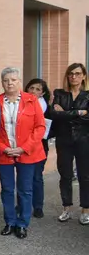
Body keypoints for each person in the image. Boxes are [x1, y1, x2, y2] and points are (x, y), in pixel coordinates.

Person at [0, 67, 46, 239]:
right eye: (6, 80)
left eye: (13, 80)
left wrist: (24, 147)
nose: (9, 83)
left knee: (25, 190)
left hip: (28, 153)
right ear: (2, 82)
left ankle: (23, 223)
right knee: (7, 189)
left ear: (19, 81)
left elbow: (40, 127)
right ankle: (10, 221)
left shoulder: (31, 100)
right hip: (5, 153)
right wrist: (3, 148)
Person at [49, 63, 89, 224]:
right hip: (64, 139)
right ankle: (67, 208)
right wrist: (79, 113)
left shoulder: (87, 95)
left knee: (85, 176)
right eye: (71, 73)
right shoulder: (59, 93)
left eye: (78, 73)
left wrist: (64, 113)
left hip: (84, 139)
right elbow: (53, 114)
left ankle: (85, 210)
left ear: (84, 76)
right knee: (65, 175)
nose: (74, 76)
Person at [25, 78, 51, 218]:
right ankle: (23, 204)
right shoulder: (20, 103)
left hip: (39, 146)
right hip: (23, 145)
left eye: (38, 89)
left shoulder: (47, 108)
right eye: (32, 88)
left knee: (36, 177)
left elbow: (52, 128)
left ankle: (38, 206)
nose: (34, 91)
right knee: (24, 177)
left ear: (42, 93)